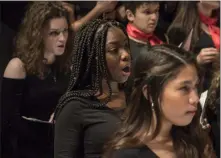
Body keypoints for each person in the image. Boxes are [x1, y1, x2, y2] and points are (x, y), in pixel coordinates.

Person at [103, 44, 214, 158]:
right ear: (150, 93)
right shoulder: (126, 154)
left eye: (195, 86)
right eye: (184, 88)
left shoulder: (193, 139)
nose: (195, 98)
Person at [1, 2, 72, 158]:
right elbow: (7, 123)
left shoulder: (66, 66)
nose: (62, 38)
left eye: (65, 31)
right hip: (28, 151)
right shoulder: (18, 66)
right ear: (38, 34)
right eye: (54, 33)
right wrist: (45, 127)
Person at [54, 19, 131, 158]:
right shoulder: (75, 106)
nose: (125, 54)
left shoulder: (135, 97)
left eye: (126, 46)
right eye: (114, 50)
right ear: (94, 57)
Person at [167, 1, 220, 90]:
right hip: (199, 90)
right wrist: (197, 60)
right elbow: (172, 68)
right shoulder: (181, 28)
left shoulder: (216, 26)